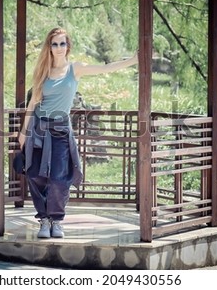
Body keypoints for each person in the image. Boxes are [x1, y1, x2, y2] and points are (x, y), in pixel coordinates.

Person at [18, 27, 138, 238]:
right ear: (49, 46)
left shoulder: (75, 69)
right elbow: (32, 104)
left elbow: (105, 68)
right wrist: (23, 132)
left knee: (59, 178)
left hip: (61, 130)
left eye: (62, 43)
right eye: (54, 44)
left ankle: (56, 220)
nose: (58, 48)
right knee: (35, 175)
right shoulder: (42, 72)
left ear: (68, 46)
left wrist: (132, 61)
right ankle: (43, 220)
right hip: (38, 129)